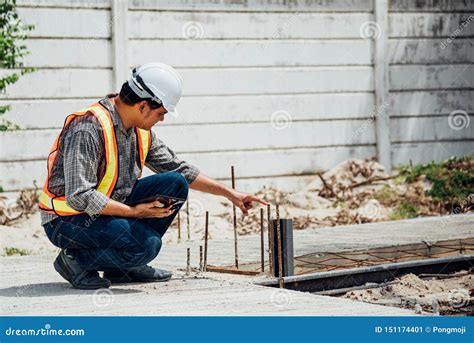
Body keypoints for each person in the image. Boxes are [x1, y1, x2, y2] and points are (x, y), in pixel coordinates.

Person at [39, 62, 267, 289]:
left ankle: (121, 266)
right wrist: (133, 212)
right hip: (67, 220)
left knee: (175, 184)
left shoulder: (140, 129)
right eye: (161, 113)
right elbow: (79, 196)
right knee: (146, 246)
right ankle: (75, 260)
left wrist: (230, 193)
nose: (162, 119)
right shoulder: (88, 128)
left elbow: (179, 169)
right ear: (142, 106)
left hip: (107, 206)